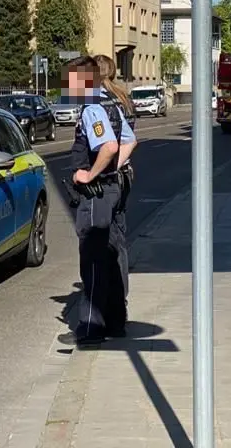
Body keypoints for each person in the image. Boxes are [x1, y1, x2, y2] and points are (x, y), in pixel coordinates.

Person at [61, 55, 132, 344]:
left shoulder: (92, 108)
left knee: (92, 259)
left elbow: (111, 144)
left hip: (97, 194)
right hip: (112, 188)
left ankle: (90, 328)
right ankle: (116, 323)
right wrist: (114, 171)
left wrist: (92, 175)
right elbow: (129, 141)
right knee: (112, 257)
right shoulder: (112, 102)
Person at [92, 54, 138, 324]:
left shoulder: (101, 101)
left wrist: (108, 168)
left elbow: (119, 144)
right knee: (118, 242)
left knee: (104, 244)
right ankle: (118, 305)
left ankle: (108, 310)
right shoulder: (123, 98)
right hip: (124, 177)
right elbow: (130, 140)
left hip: (111, 180)